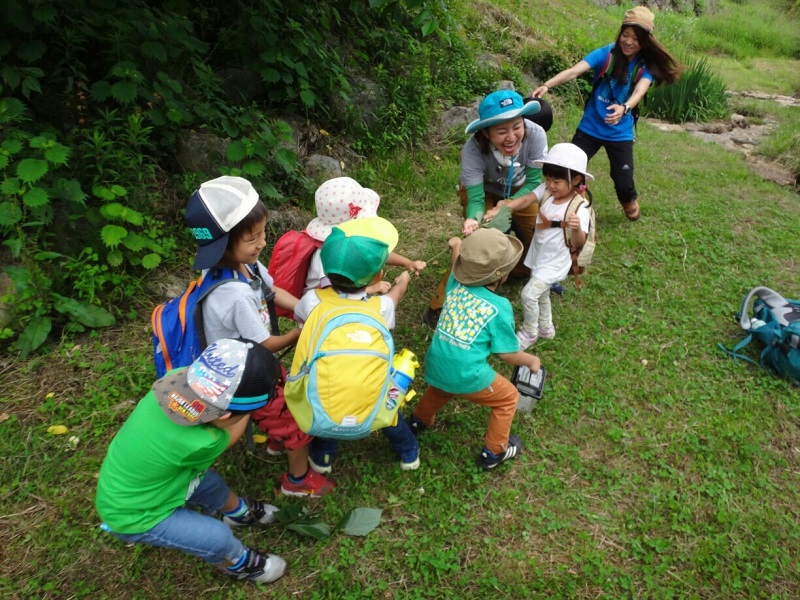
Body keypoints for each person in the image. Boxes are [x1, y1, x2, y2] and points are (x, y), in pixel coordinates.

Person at [185, 175, 335, 498]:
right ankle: (297, 481)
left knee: (286, 393)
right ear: (224, 245)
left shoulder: (244, 266)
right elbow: (266, 344)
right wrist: (301, 332)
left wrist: (307, 311)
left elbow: (271, 290)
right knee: (297, 417)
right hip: (244, 379)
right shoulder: (234, 297)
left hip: (252, 362)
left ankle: (275, 437)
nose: (263, 242)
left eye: (262, 232)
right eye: (253, 238)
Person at [96, 339, 288, 584]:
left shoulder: (175, 379)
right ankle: (240, 565)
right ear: (227, 415)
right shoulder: (202, 441)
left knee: (210, 484)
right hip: (134, 514)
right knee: (216, 537)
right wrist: (252, 408)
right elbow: (231, 436)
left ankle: (238, 513)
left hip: (138, 485)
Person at [293, 216, 419, 473]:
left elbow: (301, 326)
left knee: (326, 403)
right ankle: (409, 453)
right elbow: (395, 296)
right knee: (390, 410)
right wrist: (402, 282)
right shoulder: (380, 306)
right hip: (372, 393)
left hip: (326, 388)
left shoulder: (311, 301)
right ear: (378, 275)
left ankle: (322, 458)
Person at [531, 6, 681, 222]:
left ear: (645, 41)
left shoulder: (644, 66)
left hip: (620, 132)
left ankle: (629, 199)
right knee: (568, 168)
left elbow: (640, 90)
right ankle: (574, 200)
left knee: (623, 179)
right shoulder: (606, 54)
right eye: (625, 35)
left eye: (636, 38)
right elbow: (575, 70)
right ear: (620, 33)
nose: (629, 42)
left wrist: (624, 108)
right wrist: (548, 84)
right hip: (590, 127)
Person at [408, 228, 543, 470]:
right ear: (501, 275)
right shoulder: (499, 307)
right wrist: (531, 361)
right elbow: (506, 354)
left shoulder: (454, 283)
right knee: (508, 398)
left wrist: (457, 243)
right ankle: (494, 452)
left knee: (440, 388)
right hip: (467, 374)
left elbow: (456, 263)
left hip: (437, 363)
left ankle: (419, 421)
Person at [423, 89, 549, 329]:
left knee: (538, 237)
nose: (511, 137)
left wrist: (508, 205)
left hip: (522, 191)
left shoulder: (536, 135)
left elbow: (535, 183)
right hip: (485, 191)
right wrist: (474, 219)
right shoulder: (471, 150)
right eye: (501, 131)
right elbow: (476, 198)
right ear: (486, 132)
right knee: (480, 242)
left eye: (517, 127)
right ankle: (441, 305)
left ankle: (515, 273)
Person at [486, 143, 593, 349]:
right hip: (540, 254)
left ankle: (530, 331)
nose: (551, 185)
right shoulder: (546, 191)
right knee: (541, 292)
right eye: (548, 179)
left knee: (528, 294)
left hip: (556, 261)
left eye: (557, 181)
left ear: (576, 179)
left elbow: (579, 243)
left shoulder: (579, 209)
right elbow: (526, 199)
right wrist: (504, 207)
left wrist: (577, 229)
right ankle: (546, 327)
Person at [302, 177, 426, 296]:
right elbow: (332, 295)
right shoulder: (324, 255)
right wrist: (371, 289)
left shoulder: (350, 240)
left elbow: (373, 253)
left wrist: (407, 262)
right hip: (322, 310)